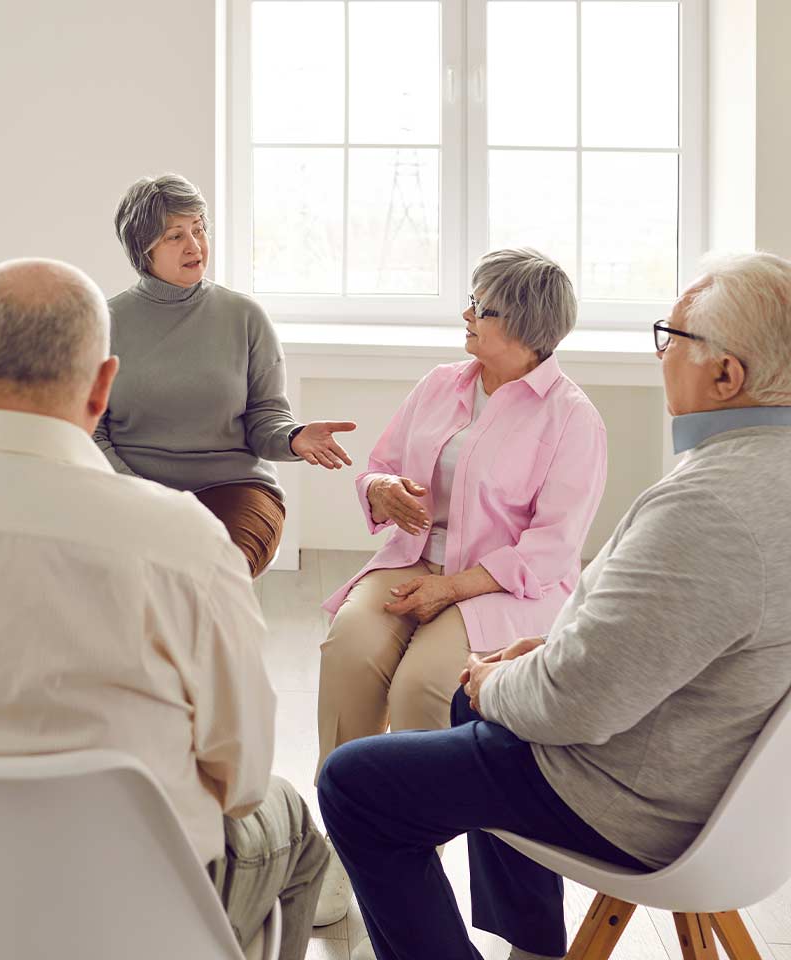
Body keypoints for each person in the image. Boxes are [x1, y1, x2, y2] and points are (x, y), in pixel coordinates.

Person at [0, 258, 334, 958]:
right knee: (291, 822)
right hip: (134, 924)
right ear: (103, 387)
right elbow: (240, 776)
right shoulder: (185, 544)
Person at [317, 251, 791, 960]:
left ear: (726, 374)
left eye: (674, 337)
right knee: (388, 670)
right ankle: (529, 939)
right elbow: (656, 640)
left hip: (633, 794)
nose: (661, 353)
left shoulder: (705, 504)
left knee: (364, 776)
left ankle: (444, 881)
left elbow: (575, 703)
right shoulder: (743, 481)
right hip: (702, 778)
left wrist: (495, 677)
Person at [318, 249, 606, 773]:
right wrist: (379, 487)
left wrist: (452, 588)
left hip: (500, 586)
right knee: (349, 651)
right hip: (414, 560)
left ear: (524, 326)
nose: (467, 315)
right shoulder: (440, 383)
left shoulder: (572, 418)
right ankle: (345, 810)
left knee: (423, 686)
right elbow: (380, 464)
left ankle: (410, 834)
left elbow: (553, 549)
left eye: (483, 307)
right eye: (471, 301)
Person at [94, 173, 357, 577]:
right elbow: (92, 431)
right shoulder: (104, 324)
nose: (195, 246)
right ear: (142, 248)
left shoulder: (244, 317)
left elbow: (265, 418)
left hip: (234, 488)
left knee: (213, 578)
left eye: (199, 229)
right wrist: (137, 493)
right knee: (134, 586)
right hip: (136, 488)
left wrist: (293, 437)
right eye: (175, 236)